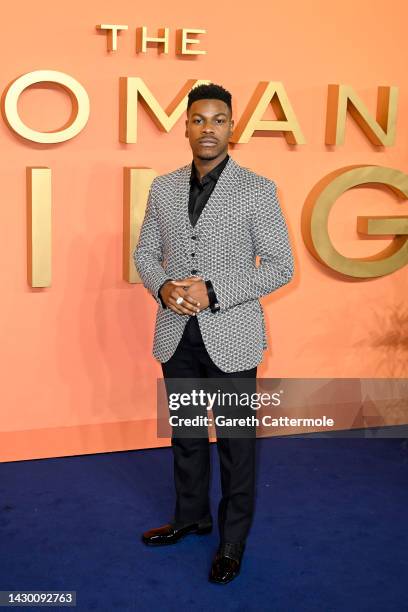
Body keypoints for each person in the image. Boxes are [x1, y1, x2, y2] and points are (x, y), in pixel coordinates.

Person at [134, 83, 294, 584]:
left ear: (232, 127)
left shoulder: (257, 189)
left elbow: (281, 266)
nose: (208, 128)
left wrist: (215, 291)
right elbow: (144, 253)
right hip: (175, 336)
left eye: (219, 119)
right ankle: (190, 517)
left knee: (235, 443)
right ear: (185, 126)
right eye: (199, 119)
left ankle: (231, 540)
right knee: (184, 436)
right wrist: (161, 287)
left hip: (232, 337)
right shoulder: (162, 187)